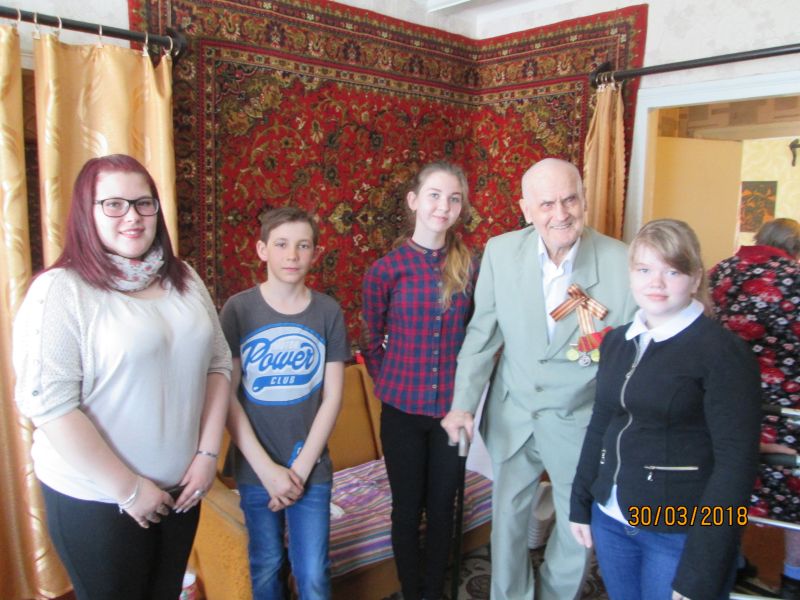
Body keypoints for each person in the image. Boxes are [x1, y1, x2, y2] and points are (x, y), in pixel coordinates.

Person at [12, 154, 232, 600]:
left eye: (143, 203)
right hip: (99, 501)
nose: (132, 216)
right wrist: (129, 491)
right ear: (86, 212)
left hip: (182, 491)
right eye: (113, 204)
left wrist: (208, 455)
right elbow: (49, 406)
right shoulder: (62, 290)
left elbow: (219, 363)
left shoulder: (185, 278)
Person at [442, 157, 636, 599]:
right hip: (514, 412)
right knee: (508, 521)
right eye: (546, 204)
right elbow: (482, 335)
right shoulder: (500, 252)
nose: (560, 213)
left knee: (576, 525)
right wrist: (463, 405)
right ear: (526, 210)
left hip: (578, 420)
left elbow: (630, 356)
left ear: (584, 200)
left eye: (570, 200)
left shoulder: (620, 262)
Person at [570, 218, 762, 600]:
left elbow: (736, 468)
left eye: (672, 271)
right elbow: (602, 423)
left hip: (678, 532)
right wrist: (581, 501)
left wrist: (702, 570)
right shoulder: (618, 342)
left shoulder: (722, 352)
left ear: (695, 278)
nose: (655, 283)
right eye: (644, 269)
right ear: (631, 274)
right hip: (612, 519)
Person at [219, 206, 350, 600]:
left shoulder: (328, 312)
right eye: (281, 244)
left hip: (311, 467)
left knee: (313, 573)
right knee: (267, 564)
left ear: (315, 253)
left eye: (302, 246)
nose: (292, 255)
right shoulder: (238, 310)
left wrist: (300, 469)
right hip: (256, 469)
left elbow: (333, 397)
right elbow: (227, 396)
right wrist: (268, 471)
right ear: (262, 250)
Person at [361, 161, 478, 600]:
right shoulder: (385, 271)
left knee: (444, 508)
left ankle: (434, 591)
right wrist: (390, 383)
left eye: (453, 198)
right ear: (413, 201)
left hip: (451, 413)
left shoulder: (471, 267)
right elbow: (371, 340)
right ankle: (413, 591)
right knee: (407, 510)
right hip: (401, 415)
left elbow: (479, 336)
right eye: (434, 195)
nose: (443, 206)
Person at [708, 217, 800, 599]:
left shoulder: (718, 273)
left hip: (727, 407)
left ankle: (733, 564)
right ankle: (793, 577)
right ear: (794, 249)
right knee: (794, 493)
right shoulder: (795, 279)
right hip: (787, 413)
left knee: (729, 488)